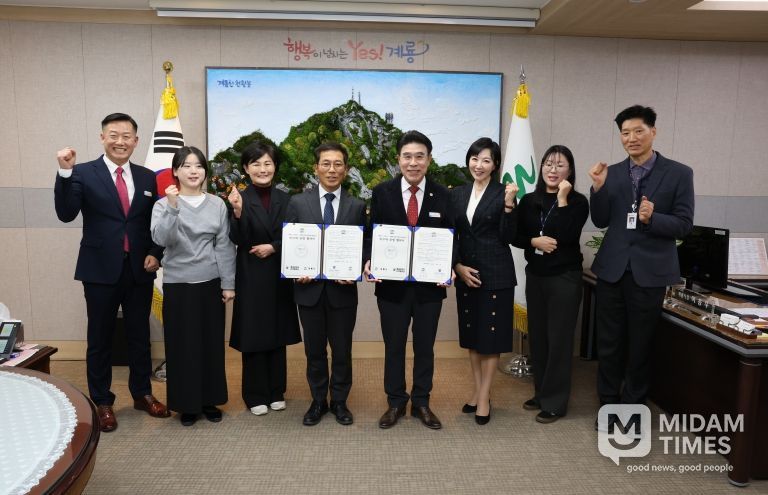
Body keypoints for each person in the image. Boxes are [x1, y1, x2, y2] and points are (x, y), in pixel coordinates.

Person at [54, 113, 169, 432]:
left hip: (139, 269)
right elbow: (65, 214)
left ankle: (142, 394)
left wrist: (154, 254)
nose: (121, 141)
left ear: (136, 141)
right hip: (99, 269)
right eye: (114, 135)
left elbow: (155, 225)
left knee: (139, 336)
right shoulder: (82, 172)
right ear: (102, 138)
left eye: (127, 136)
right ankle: (102, 400)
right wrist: (64, 172)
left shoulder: (148, 177)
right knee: (100, 337)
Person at [588, 105, 694, 426]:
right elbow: (601, 219)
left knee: (641, 346)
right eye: (624, 133)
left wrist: (653, 218)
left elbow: (684, 224)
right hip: (612, 270)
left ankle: (631, 411)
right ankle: (608, 407)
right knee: (609, 342)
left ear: (653, 132)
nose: (631, 138)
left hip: (650, 272)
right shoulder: (613, 172)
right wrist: (597, 188)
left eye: (638, 131)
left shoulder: (679, 173)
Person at [364, 130, 455, 430]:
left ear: (429, 160)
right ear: (398, 159)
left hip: (430, 288)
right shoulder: (382, 192)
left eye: (419, 156)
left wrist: (450, 266)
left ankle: (422, 403)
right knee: (394, 346)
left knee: (425, 346)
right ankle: (395, 403)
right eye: (407, 156)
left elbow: (452, 238)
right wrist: (368, 260)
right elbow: (371, 233)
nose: (413, 163)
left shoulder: (443, 195)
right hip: (391, 287)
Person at [151, 146, 236, 426]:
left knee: (211, 345)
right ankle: (187, 404)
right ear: (175, 171)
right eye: (186, 166)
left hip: (210, 282)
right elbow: (162, 239)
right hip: (178, 283)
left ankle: (209, 400)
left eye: (198, 166)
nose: (193, 171)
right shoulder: (164, 204)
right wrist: (173, 208)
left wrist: (228, 284)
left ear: (205, 171)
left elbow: (224, 246)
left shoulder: (217, 204)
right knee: (182, 346)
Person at [285, 142, 367, 426]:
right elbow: (290, 243)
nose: (332, 170)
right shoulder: (297, 202)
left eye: (338, 164)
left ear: (346, 169)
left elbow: (364, 247)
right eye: (326, 163)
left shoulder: (357, 206)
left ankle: (340, 402)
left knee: (342, 350)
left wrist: (356, 268)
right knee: (314, 350)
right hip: (308, 291)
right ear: (315, 168)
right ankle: (318, 400)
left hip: (343, 292)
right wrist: (296, 269)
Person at [512, 145, 589, 424]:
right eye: (548, 164)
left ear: (570, 171)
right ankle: (542, 392)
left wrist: (564, 198)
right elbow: (516, 234)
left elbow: (568, 235)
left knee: (558, 339)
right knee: (540, 338)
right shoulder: (529, 199)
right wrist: (534, 241)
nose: (553, 170)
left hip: (564, 277)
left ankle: (555, 403)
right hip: (536, 276)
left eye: (560, 165)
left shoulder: (578, 201)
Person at [228, 142, 301, 417]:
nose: (262, 169)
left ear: (275, 166)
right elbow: (237, 238)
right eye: (256, 164)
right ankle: (254, 394)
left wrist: (274, 247)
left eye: (267, 163)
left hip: (279, 273)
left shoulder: (287, 199)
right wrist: (236, 212)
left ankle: (276, 391)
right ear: (246, 168)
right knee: (254, 333)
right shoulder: (238, 198)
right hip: (251, 274)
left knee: (276, 332)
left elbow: (294, 234)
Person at [451, 137, 518, 425]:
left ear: (495, 165)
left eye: (486, 160)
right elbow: (451, 234)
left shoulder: (505, 193)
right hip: (466, 274)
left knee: (490, 340)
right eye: (475, 158)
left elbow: (508, 237)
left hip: (496, 275)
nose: (479, 165)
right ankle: (479, 392)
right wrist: (457, 267)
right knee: (473, 339)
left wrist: (508, 206)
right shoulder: (457, 193)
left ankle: (483, 398)